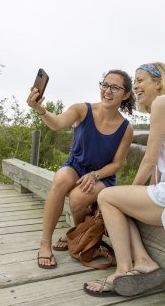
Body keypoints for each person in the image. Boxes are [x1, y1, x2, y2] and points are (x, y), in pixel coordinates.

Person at [84, 62, 165, 296]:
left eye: (140, 80)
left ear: (159, 82)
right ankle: (144, 262)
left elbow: (150, 159)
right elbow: (159, 168)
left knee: (107, 196)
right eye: (134, 82)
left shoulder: (162, 103)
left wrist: (128, 193)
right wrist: (130, 199)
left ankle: (122, 271)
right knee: (121, 205)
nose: (135, 87)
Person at [26, 69, 135, 269]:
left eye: (115, 87)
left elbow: (117, 164)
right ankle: (45, 244)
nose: (107, 91)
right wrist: (40, 109)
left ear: (126, 94)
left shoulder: (126, 128)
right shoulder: (82, 110)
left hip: (102, 175)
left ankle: (76, 234)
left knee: (77, 198)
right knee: (60, 181)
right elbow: (57, 123)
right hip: (75, 166)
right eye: (105, 85)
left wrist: (95, 175)